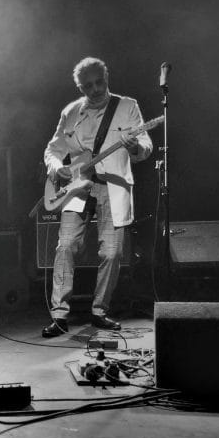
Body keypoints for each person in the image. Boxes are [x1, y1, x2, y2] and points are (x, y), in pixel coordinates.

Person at [41, 57, 153, 337]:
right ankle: (59, 315)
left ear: (107, 78)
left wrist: (136, 145)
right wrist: (58, 169)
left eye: (99, 82)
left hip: (113, 187)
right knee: (65, 246)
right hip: (78, 187)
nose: (95, 89)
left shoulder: (127, 106)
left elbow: (146, 147)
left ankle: (100, 311)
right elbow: (53, 149)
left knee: (112, 252)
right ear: (80, 88)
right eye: (87, 86)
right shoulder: (70, 112)